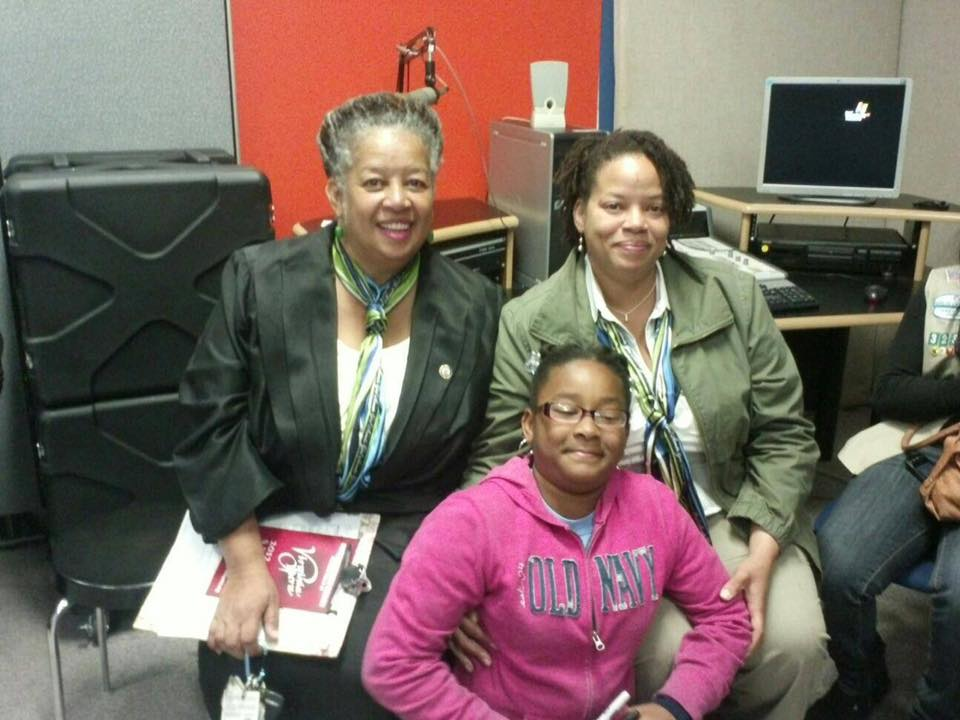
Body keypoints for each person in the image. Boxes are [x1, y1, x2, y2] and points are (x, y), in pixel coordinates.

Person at [459, 130, 833, 718]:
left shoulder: (732, 297)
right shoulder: (529, 321)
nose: (636, 223)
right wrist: (464, 571)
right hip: (607, 533)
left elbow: (786, 432)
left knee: (793, 643)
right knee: (659, 661)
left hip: (733, 511)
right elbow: (501, 453)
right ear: (579, 213)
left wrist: (764, 547)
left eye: (654, 208)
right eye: (614, 206)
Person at [173, 91, 503, 720]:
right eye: (375, 182)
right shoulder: (259, 282)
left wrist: (460, 577)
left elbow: (485, 458)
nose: (398, 201)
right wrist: (243, 564)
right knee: (250, 663)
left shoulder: (476, 308)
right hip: (272, 523)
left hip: (408, 533)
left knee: (380, 674)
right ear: (336, 192)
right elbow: (206, 425)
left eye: (417, 182)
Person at [364, 344, 752, 720]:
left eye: (608, 414)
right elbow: (394, 663)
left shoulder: (655, 508)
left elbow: (727, 619)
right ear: (529, 425)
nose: (587, 428)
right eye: (566, 410)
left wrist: (677, 706)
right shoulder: (470, 521)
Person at [810, 263, 960, 720]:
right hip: (922, 448)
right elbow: (891, 392)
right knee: (842, 560)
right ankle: (861, 679)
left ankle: (935, 711)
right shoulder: (942, 288)